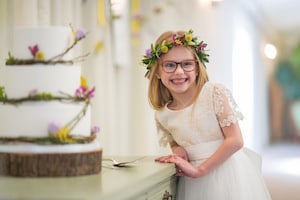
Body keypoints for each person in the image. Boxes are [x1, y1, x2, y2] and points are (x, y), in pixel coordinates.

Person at [142, 29, 272, 200]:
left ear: (197, 67)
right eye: (170, 65)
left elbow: (235, 140)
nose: (179, 72)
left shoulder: (213, 93)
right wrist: (178, 149)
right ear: (157, 72)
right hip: (192, 182)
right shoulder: (162, 114)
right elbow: (174, 140)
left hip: (226, 172)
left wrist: (200, 170)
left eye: (187, 64)